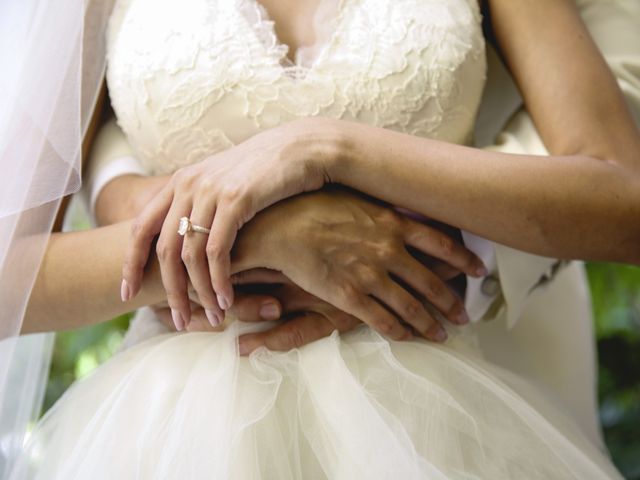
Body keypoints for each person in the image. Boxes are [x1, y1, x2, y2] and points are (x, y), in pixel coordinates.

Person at [3, 0, 639, 478]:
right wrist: (260, 239)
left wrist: (331, 149)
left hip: (436, 418)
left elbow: (622, 195)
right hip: (175, 434)